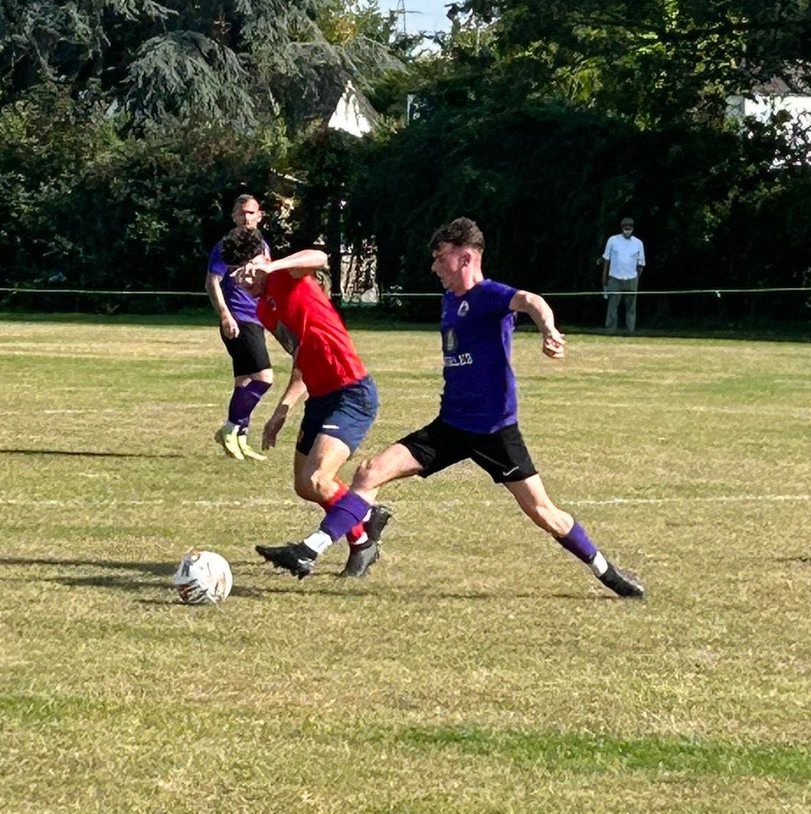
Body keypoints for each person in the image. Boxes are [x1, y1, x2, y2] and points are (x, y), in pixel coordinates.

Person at [258, 217, 644, 598]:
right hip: (449, 427)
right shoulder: (448, 299)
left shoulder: (489, 295)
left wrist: (549, 330)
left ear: (465, 257)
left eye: (440, 257)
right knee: (369, 472)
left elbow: (530, 301)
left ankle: (607, 572)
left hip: (494, 432)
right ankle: (309, 551)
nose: (434, 266)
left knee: (545, 513)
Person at [224, 227, 391, 578]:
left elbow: (320, 257)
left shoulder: (287, 274)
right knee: (304, 485)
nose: (245, 280)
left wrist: (270, 267)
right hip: (319, 396)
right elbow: (301, 357)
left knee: (318, 478)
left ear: (260, 261)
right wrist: (283, 408)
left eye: (247, 271)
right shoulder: (264, 310)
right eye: (237, 276)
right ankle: (363, 516)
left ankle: (360, 542)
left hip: (351, 392)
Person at [205, 194, 274, 461]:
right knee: (264, 378)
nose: (246, 217)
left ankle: (240, 438)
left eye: (251, 213)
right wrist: (225, 315)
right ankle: (230, 428)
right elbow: (212, 281)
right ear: (234, 216)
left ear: (260, 216)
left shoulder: (262, 244)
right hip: (239, 318)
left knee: (244, 381)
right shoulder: (228, 246)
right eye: (241, 213)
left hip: (256, 318)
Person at [602, 217, 646, 334]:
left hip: (631, 279)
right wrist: (604, 276)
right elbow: (606, 259)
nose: (627, 231)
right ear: (622, 228)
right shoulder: (612, 240)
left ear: (632, 229)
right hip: (615, 278)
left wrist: (636, 278)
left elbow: (641, 264)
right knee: (612, 306)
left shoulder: (638, 243)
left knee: (631, 307)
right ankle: (610, 330)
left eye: (629, 229)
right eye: (626, 229)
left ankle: (630, 331)